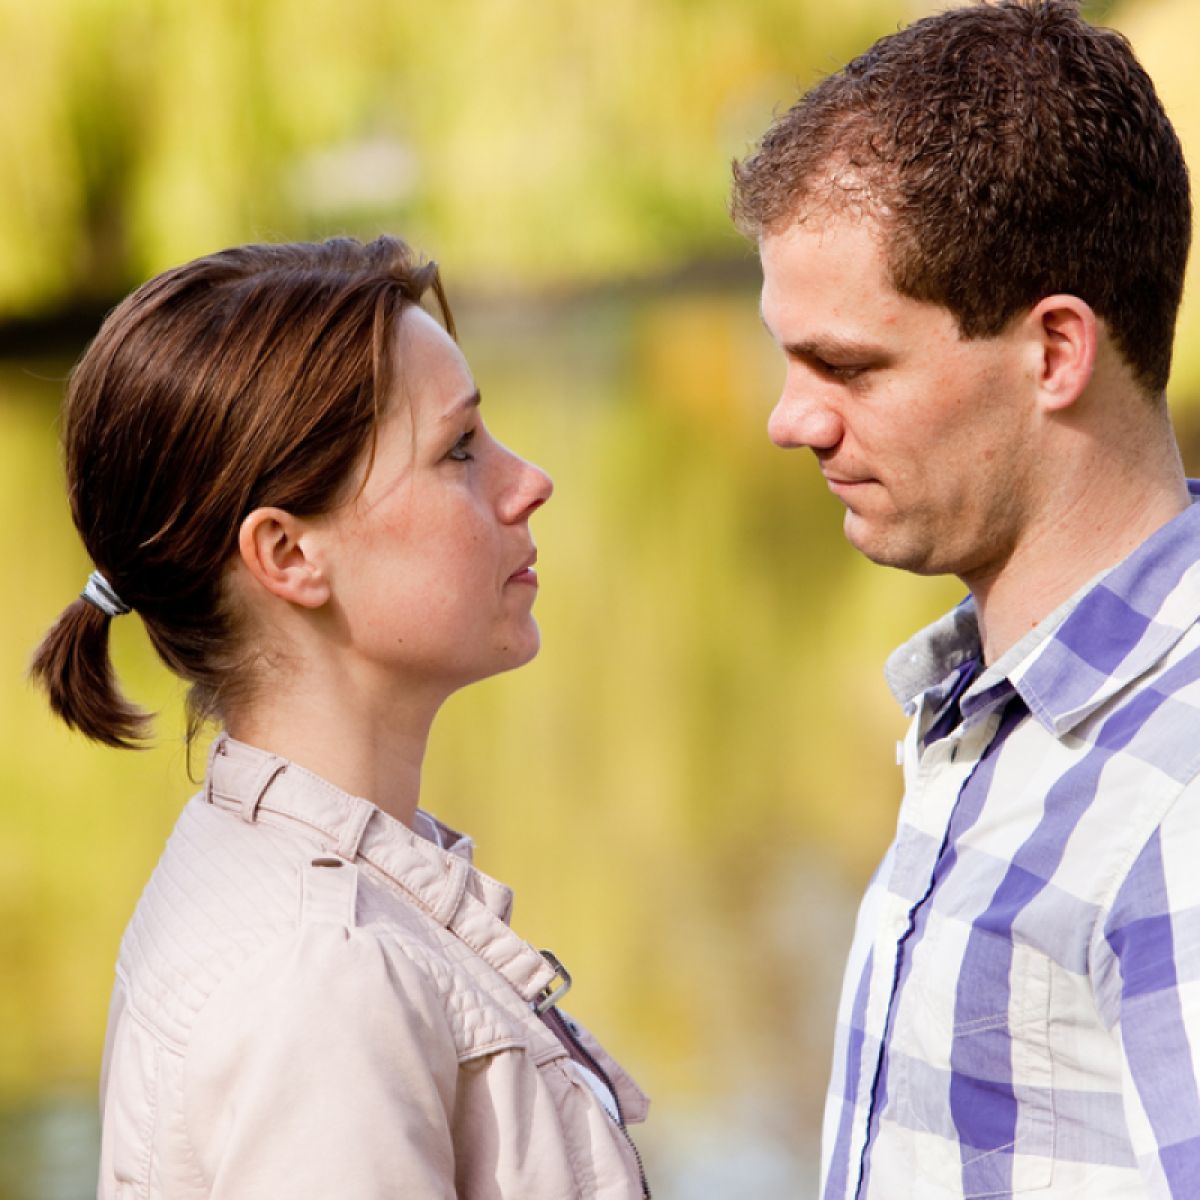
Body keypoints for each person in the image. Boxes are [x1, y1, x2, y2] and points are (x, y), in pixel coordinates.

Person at [29, 236, 650, 1199]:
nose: (529, 483)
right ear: (287, 555)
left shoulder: (288, 883)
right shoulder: (322, 976)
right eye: (459, 449)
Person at [732, 1, 1199, 1197]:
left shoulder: (1179, 789)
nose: (794, 420)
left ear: (1054, 352)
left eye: (847, 365)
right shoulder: (993, 711)